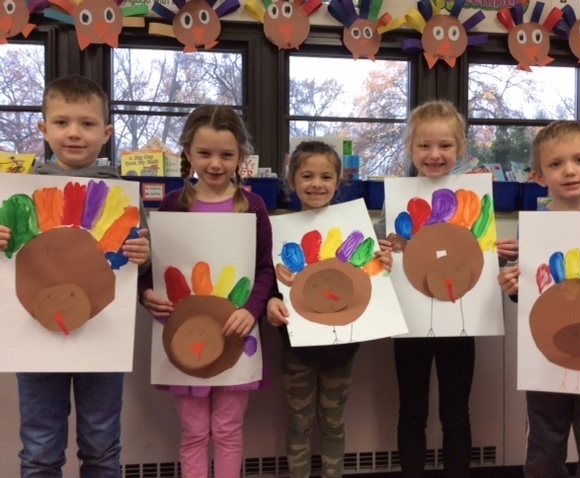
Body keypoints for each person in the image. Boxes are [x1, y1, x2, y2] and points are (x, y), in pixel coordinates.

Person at [12, 74, 151, 477]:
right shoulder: (20, 193)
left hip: (101, 339)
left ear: (106, 133)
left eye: (87, 124)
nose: (74, 133)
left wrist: (143, 254)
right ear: (43, 128)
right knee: (39, 449)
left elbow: (138, 264)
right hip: (35, 342)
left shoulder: (122, 195)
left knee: (102, 446)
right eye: (61, 122)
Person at [373, 100, 517, 478]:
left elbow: (477, 259)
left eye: (445, 146)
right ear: (409, 147)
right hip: (412, 325)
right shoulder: (397, 198)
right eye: (424, 146)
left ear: (460, 149)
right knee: (412, 412)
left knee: (456, 413)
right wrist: (382, 253)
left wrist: (497, 256)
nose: (434, 154)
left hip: (461, 322)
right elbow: (378, 253)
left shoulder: (473, 197)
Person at [139, 105, 274, 478]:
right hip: (186, 336)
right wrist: (146, 293)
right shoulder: (171, 206)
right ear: (187, 154)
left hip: (236, 333)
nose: (215, 164)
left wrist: (252, 309)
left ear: (241, 157)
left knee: (228, 431)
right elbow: (154, 269)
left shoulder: (254, 207)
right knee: (195, 431)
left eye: (227, 155)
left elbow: (264, 270)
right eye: (205, 153)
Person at [498, 120, 580, 478]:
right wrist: (513, 288)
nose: (569, 170)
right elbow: (534, 296)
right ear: (539, 175)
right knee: (543, 449)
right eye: (555, 164)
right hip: (547, 360)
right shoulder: (536, 224)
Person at [266, 140, 392, 478]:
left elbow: (370, 279)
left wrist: (383, 264)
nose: (316, 184)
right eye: (306, 176)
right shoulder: (279, 230)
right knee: (299, 421)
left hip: (342, 346)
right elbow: (268, 282)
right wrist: (270, 300)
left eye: (326, 176)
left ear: (339, 182)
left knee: (334, 421)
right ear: (292, 181)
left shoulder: (355, 230)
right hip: (296, 347)